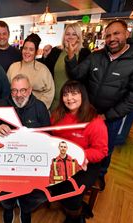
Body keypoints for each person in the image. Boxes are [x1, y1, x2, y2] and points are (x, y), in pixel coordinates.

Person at [65, 20, 133, 191]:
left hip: (112, 117)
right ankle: (81, 173)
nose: (112, 38)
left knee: (105, 148)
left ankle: (99, 176)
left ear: (127, 34)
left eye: (117, 33)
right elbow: (76, 74)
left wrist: (107, 115)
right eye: (108, 35)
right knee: (85, 144)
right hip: (88, 113)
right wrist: (70, 56)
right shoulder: (96, 56)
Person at [0, 74, 50, 223]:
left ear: (30, 90)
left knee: (41, 193)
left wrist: (35, 138)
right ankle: (9, 206)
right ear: (10, 91)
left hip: (32, 162)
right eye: (14, 91)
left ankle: (25, 209)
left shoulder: (40, 107)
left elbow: (49, 136)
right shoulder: (0, 105)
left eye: (23, 90)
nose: (18, 95)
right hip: (5, 162)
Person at [50, 80, 108, 223]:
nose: (69, 98)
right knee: (52, 184)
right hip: (61, 158)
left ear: (83, 96)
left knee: (72, 192)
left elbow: (101, 151)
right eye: (65, 94)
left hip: (86, 163)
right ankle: (76, 206)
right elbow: (50, 137)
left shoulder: (95, 121)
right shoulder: (57, 114)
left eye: (74, 93)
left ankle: (75, 217)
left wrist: (80, 156)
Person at [44, 23, 91, 111]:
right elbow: (46, 71)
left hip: (74, 103)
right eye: (67, 34)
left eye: (74, 34)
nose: (70, 37)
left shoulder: (85, 53)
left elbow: (79, 77)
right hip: (55, 101)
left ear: (79, 37)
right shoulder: (56, 51)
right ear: (64, 36)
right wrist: (45, 56)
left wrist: (71, 55)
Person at [7, 33, 55, 109]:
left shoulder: (43, 69)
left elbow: (49, 92)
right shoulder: (13, 67)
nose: (27, 52)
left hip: (37, 110)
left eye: (31, 49)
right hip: (16, 108)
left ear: (36, 52)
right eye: (25, 48)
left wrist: (39, 108)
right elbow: (8, 89)